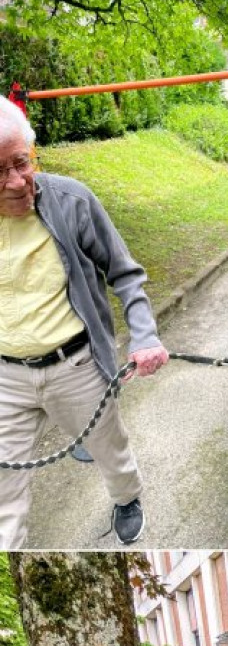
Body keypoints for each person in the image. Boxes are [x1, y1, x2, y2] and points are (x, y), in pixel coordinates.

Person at [0, 95, 169, 549]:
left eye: (22, 162)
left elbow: (126, 275)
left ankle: (127, 497)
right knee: (3, 496)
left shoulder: (72, 201)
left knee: (109, 450)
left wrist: (145, 336)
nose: (17, 182)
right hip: (6, 378)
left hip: (75, 366)